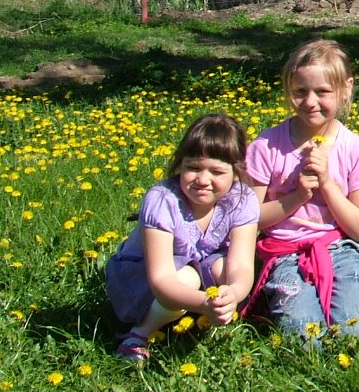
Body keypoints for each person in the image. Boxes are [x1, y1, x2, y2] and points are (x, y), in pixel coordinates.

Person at [244, 40, 359, 337]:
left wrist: (327, 184)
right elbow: (249, 219)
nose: (310, 101)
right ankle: (273, 297)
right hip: (284, 253)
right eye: (300, 91)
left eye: (323, 91)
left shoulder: (356, 149)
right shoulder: (267, 146)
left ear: (346, 89)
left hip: (341, 251)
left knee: (358, 335)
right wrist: (298, 197)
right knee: (306, 337)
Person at [106, 113, 258, 365]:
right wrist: (204, 303)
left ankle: (215, 316)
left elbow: (242, 264)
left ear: (236, 173)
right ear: (180, 164)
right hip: (144, 279)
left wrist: (233, 292)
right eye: (193, 168)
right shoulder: (163, 201)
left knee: (225, 267)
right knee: (188, 278)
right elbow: (161, 279)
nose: (203, 180)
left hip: (199, 268)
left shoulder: (242, 199)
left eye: (217, 171)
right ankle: (138, 334)